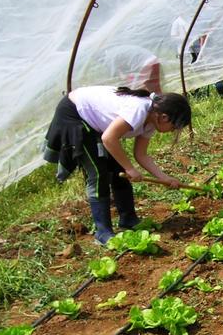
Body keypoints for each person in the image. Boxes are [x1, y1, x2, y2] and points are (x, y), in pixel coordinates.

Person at [43, 86, 191, 245]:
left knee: (118, 169)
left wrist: (165, 178)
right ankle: (102, 232)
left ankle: (128, 219)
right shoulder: (139, 109)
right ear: (164, 117)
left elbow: (141, 155)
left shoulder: (151, 122)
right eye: (174, 127)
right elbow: (108, 138)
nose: (172, 131)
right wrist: (130, 169)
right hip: (75, 114)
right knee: (99, 173)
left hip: (96, 125)